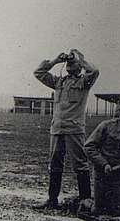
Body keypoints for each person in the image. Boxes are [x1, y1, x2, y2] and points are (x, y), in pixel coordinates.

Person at [33, 48, 99, 209]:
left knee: (80, 165)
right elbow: (38, 72)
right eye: (68, 62)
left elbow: (95, 71)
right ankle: (52, 200)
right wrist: (56, 60)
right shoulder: (59, 82)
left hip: (74, 130)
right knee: (55, 165)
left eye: (73, 62)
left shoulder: (84, 82)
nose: (70, 64)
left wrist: (81, 58)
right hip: (57, 129)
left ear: (80, 66)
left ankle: (85, 201)